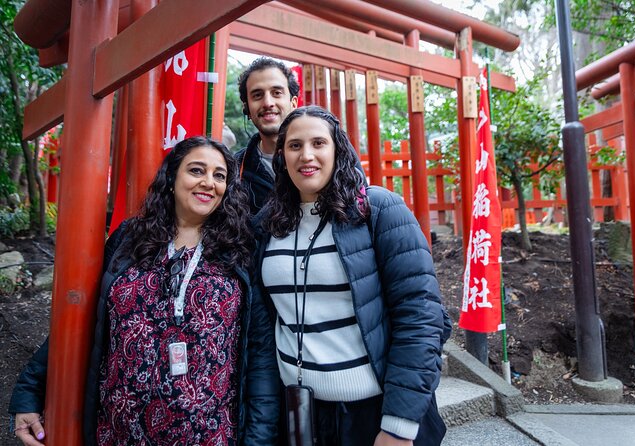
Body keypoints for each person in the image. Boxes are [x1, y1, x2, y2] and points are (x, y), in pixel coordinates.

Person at [9, 136, 278, 446]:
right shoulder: (130, 236)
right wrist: (30, 392)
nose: (208, 182)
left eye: (219, 175)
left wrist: (258, 440)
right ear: (172, 177)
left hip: (209, 434)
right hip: (118, 431)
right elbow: (82, 319)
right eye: (196, 170)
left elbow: (260, 355)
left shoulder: (241, 249)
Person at [254, 106, 451, 446]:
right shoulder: (268, 223)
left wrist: (398, 424)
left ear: (337, 150)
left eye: (319, 143)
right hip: (300, 411)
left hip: (371, 413)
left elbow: (420, 316)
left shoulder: (378, 209)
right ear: (282, 155)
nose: (307, 155)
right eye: (295, 145)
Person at [236, 57, 299, 215]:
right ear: (247, 109)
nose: (268, 103)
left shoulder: (327, 154)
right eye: (257, 95)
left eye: (277, 93)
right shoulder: (235, 168)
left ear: (293, 103)